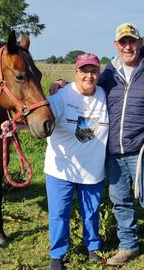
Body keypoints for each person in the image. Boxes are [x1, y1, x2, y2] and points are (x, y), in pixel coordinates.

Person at [51, 22, 144, 270]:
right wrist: (64, 85)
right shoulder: (109, 72)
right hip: (112, 151)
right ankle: (128, 246)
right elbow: (87, 84)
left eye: (132, 41)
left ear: (140, 43)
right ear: (116, 45)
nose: (128, 46)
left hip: (143, 149)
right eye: (123, 42)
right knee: (120, 201)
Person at [44, 53, 108, 270]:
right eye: (84, 71)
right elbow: (41, 115)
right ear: (75, 72)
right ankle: (57, 255)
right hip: (61, 167)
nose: (89, 76)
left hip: (92, 168)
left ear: (99, 74)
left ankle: (92, 248)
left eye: (94, 71)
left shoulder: (104, 94)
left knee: (91, 211)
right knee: (59, 213)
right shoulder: (62, 96)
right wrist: (14, 124)